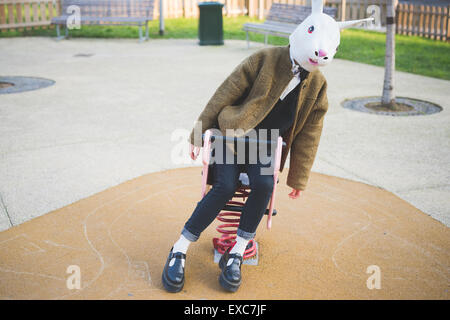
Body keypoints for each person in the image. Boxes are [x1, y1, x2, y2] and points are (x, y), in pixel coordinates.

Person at [161, 0, 373, 293]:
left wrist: (298, 177)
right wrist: (198, 134)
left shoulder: (317, 84)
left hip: (264, 145)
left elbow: (311, 131)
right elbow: (226, 92)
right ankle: (179, 248)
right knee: (224, 185)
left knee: (263, 186)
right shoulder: (265, 59)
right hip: (232, 136)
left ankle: (236, 250)